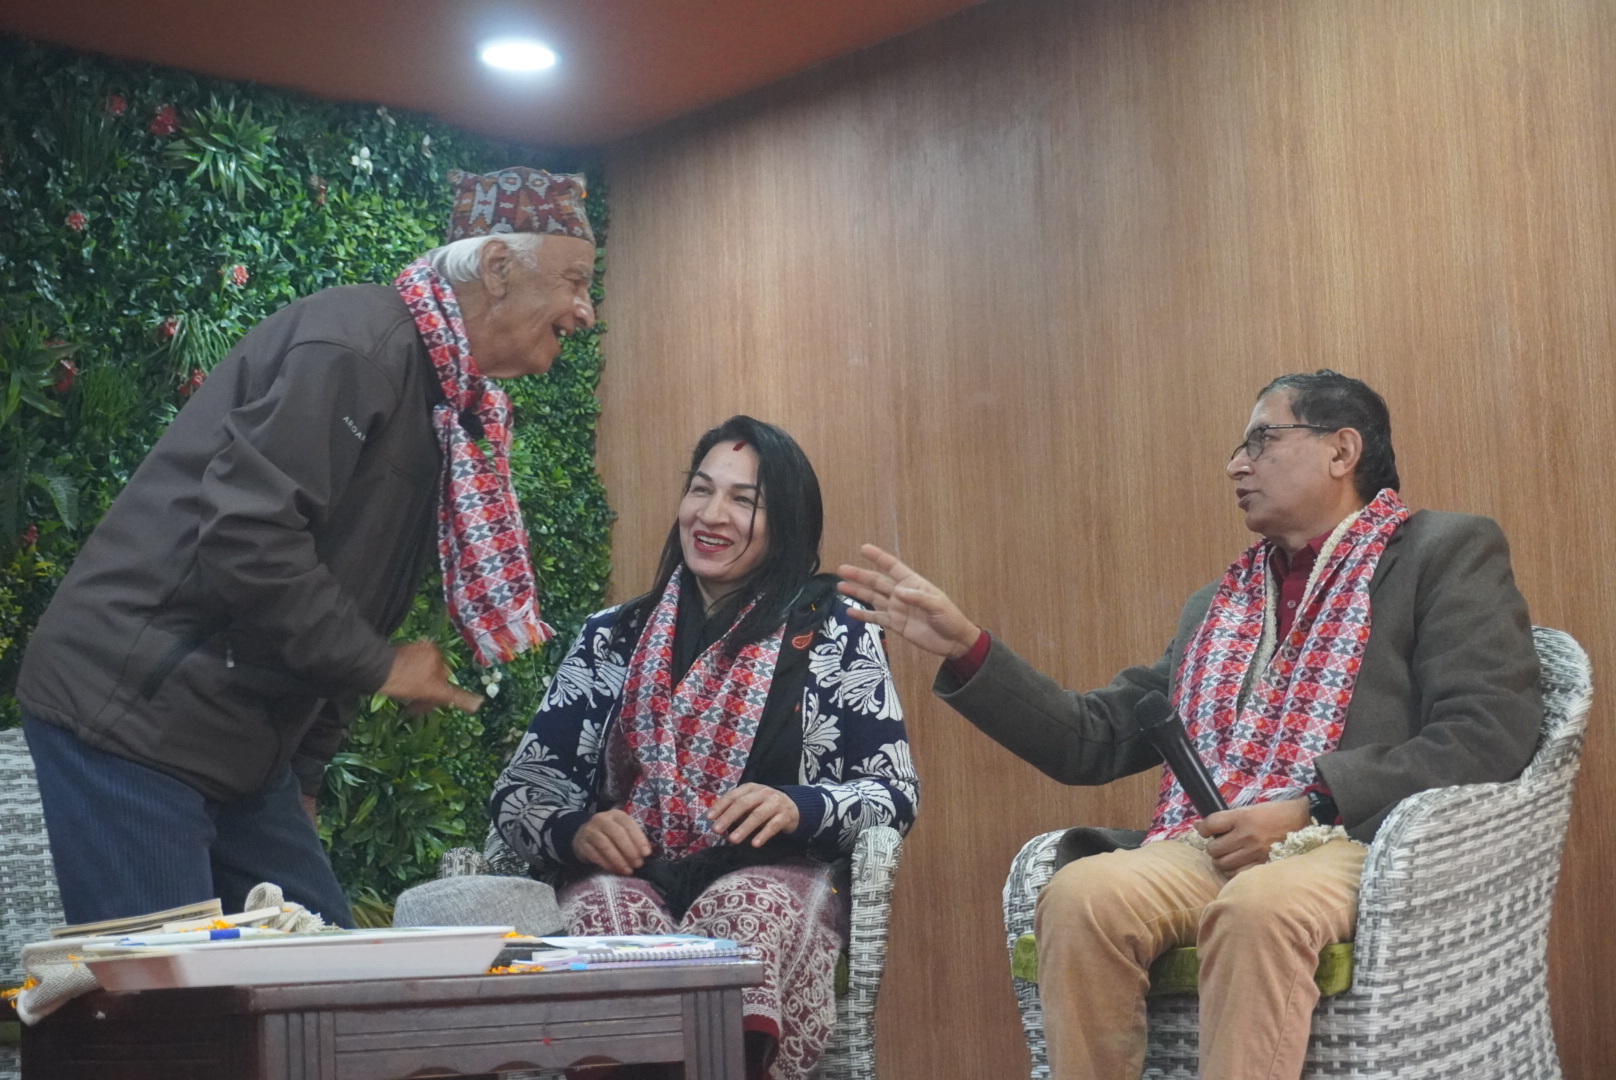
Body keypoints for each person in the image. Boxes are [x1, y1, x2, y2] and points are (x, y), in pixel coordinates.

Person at [837, 370, 1541, 1080]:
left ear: (1342, 450)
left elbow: (1487, 731)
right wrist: (967, 647)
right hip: (1210, 845)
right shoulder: (1222, 604)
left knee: (1258, 908)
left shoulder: (1440, 553)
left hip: (1359, 839)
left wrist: (1310, 805)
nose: (1237, 465)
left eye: (1262, 440)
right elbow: (1094, 737)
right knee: (1080, 898)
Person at [16, 168, 598, 929]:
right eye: (575, 282)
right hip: (134, 716)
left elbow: (356, 593)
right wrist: (381, 666)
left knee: (329, 977)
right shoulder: (358, 347)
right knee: (169, 986)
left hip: (244, 747)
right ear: (495, 268)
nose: (585, 311)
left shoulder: (442, 400)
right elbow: (247, 536)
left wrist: (307, 773)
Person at [490, 415, 918, 1080]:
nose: (712, 515)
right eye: (700, 489)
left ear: (787, 523)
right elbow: (523, 790)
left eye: (744, 500)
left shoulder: (836, 631)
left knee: (744, 913)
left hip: (770, 872)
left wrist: (798, 806)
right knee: (603, 915)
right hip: (630, 873)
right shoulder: (613, 636)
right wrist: (576, 832)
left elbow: (891, 792)